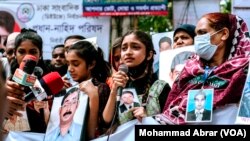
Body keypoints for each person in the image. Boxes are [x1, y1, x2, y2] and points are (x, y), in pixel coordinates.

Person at [155, 12, 250, 125]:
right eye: (196, 34)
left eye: (202, 33)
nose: (198, 39)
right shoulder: (189, 70)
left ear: (224, 34)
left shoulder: (244, 72)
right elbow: (170, 113)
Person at [106, 30, 171, 133]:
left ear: (149, 55)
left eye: (135, 47)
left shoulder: (160, 87)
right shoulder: (120, 86)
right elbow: (107, 120)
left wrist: (148, 119)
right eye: (124, 48)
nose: (128, 52)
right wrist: (114, 90)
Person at [5, 28, 52, 133]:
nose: (27, 57)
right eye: (21, 52)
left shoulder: (48, 81)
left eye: (33, 52)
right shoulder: (6, 84)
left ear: (40, 55)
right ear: (15, 54)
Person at [66, 39, 111, 139]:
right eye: (68, 64)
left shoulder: (100, 88)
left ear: (91, 64)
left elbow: (94, 133)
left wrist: (93, 96)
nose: (70, 69)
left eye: (76, 64)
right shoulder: (70, 89)